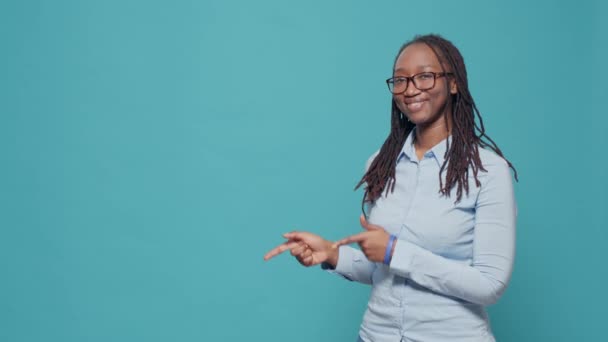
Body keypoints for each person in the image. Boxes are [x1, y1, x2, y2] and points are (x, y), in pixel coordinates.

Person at [263, 33, 517, 342]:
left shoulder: (488, 171)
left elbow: (489, 284)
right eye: (400, 81)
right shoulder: (381, 165)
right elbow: (381, 270)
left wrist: (396, 251)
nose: (411, 90)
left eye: (425, 77)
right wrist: (332, 253)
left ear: (453, 84)